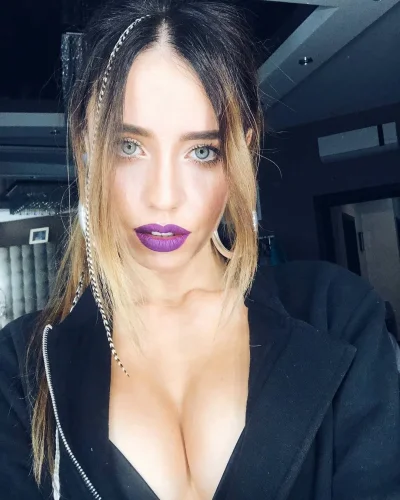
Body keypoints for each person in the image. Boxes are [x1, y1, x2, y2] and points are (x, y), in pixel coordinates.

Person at [0, 1, 399, 499]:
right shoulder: (20, 371)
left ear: (240, 155)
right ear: (86, 146)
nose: (164, 197)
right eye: (129, 146)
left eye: (202, 151)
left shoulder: (337, 315)